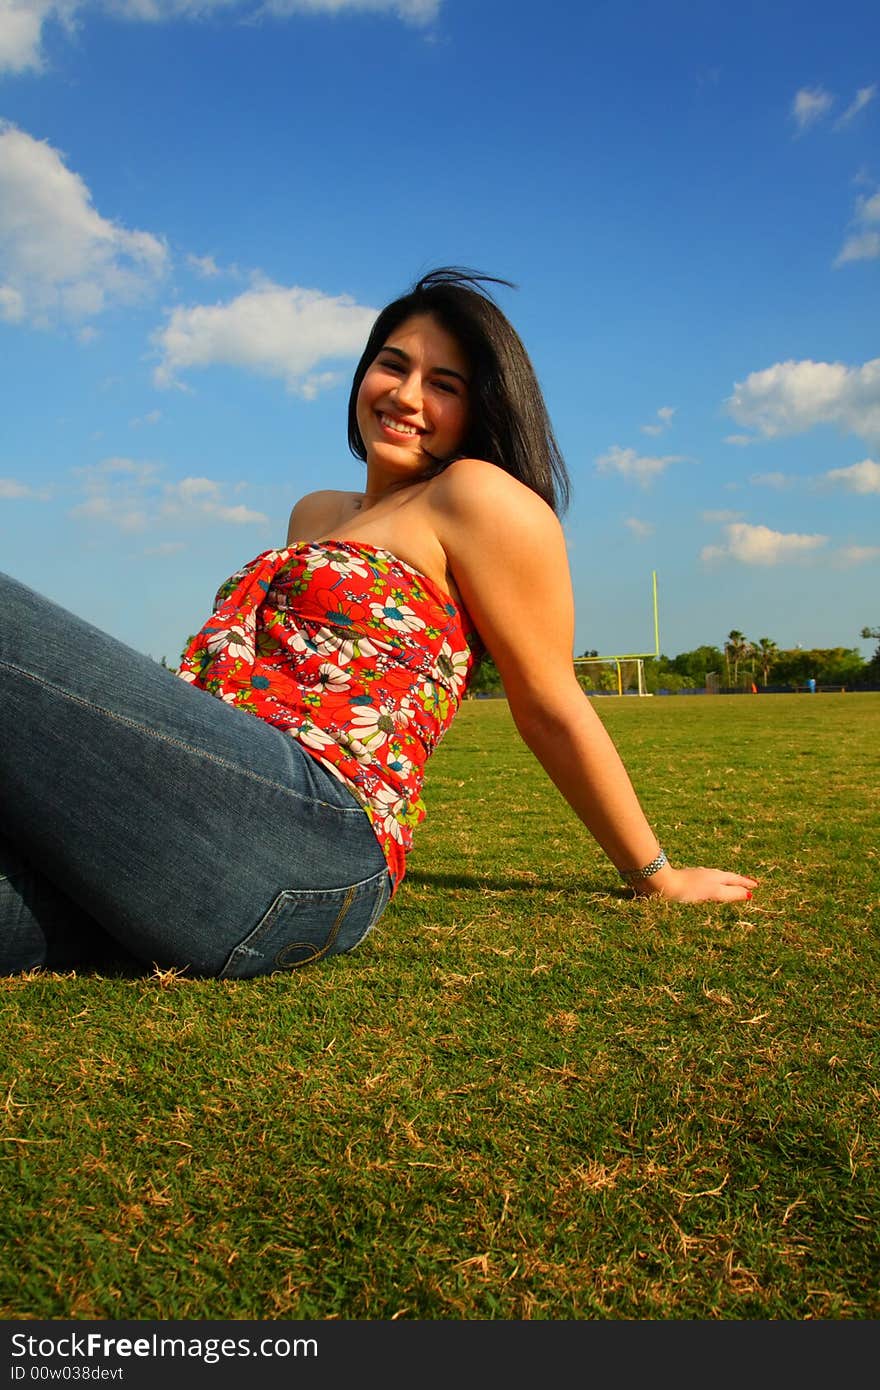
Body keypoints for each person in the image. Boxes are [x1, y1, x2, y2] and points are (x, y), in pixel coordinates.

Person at [0, 267, 756, 978]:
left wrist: (655, 876)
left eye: (445, 384)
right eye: (393, 365)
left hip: (313, 840)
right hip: (197, 848)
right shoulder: (318, 512)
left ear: (482, 408)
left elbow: (549, 702)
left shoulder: (477, 497)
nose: (407, 395)